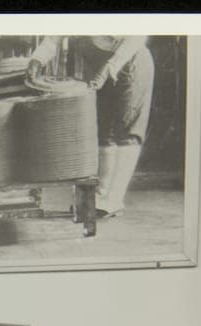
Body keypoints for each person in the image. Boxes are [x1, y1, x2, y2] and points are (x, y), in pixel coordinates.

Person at [27, 36, 154, 217]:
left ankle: (114, 199)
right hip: (98, 64)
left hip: (130, 61)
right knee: (103, 130)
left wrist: (111, 66)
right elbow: (54, 35)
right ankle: (100, 196)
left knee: (127, 131)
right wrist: (37, 59)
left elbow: (135, 38)